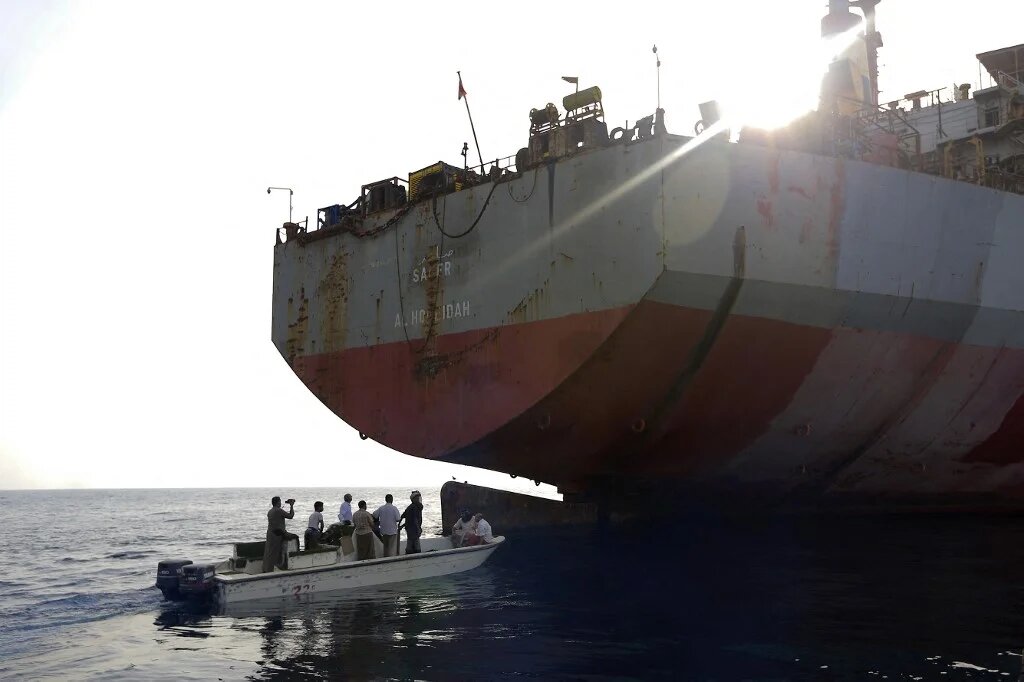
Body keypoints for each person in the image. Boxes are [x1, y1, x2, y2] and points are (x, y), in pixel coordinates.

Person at [262, 496, 297, 572]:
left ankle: (266, 569)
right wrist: (291, 505)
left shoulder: (270, 511)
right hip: (277, 534)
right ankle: (270, 570)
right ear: (277, 502)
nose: (281, 503)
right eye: (280, 501)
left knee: (269, 552)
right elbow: (290, 516)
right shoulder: (278, 510)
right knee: (274, 553)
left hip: (270, 533)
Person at [400, 490, 424, 554]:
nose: (419, 499)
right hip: (413, 529)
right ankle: (415, 556)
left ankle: (410, 554)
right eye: (417, 498)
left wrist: (401, 525)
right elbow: (415, 519)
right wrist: (418, 528)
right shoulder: (414, 507)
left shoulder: (410, 507)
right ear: (413, 499)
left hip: (409, 528)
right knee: (415, 543)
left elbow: (403, 516)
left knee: (411, 541)